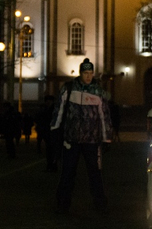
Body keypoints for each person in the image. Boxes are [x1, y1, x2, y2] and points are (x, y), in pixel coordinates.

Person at [51, 58, 112, 214]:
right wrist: (55, 129)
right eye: (85, 73)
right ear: (80, 73)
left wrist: (106, 138)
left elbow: (104, 116)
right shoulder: (68, 89)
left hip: (92, 141)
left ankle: (100, 203)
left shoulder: (98, 91)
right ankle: (63, 202)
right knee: (68, 172)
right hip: (72, 140)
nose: (88, 76)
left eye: (90, 73)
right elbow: (59, 110)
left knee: (95, 174)